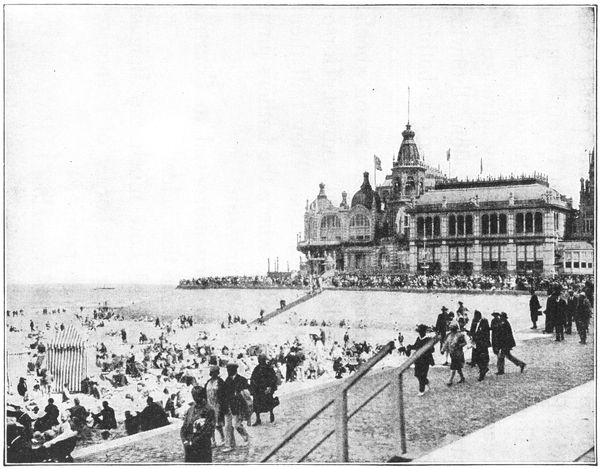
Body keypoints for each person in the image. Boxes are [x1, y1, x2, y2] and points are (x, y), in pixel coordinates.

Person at [181, 386, 215, 462]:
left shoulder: (209, 410)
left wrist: (193, 442)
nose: (195, 398)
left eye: (197, 395)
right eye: (194, 395)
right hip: (189, 448)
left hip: (202, 448)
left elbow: (208, 430)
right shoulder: (190, 410)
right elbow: (184, 427)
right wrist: (185, 441)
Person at [222, 362, 250, 452]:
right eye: (228, 370)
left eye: (230, 370)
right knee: (229, 426)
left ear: (234, 370)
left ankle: (246, 437)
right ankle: (230, 444)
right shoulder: (227, 380)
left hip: (239, 405)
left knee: (237, 425)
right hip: (230, 405)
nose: (228, 371)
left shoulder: (242, 379)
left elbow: (247, 392)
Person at [406, 324, 434, 396]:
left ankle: (421, 390)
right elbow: (416, 346)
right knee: (417, 374)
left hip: (425, 360)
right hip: (418, 360)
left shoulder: (428, 339)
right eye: (419, 332)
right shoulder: (418, 339)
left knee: (422, 375)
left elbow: (432, 349)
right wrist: (410, 347)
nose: (420, 333)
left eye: (421, 331)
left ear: (424, 332)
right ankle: (427, 382)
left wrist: (426, 350)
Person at [250, 354, 278, 425]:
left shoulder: (269, 368)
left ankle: (271, 414)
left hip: (267, 389)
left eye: (261, 360)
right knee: (256, 404)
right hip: (258, 389)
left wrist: (270, 387)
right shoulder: (256, 368)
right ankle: (258, 419)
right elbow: (253, 378)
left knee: (269, 402)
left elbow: (273, 378)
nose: (260, 361)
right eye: (259, 360)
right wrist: (253, 388)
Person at [205, 365, 226, 446]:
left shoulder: (220, 382)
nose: (214, 374)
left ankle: (223, 438)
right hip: (209, 405)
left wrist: (222, 406)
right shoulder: (208, 383)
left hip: (217, 405)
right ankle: (213, 441)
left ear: (217, 373)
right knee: (210, 425)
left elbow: (224, 394)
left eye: (215, 373)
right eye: (212, 373)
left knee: (218, 424)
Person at [441, 321, 467, 386]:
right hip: (452, 354)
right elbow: (446, 343)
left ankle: (450, 380)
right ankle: (462, 378)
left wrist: (459, 345)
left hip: (458, 354)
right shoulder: (449, 336)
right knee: (458, 367)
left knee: (453, 367)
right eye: (451, 328)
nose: (451, 330)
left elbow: (465, 343)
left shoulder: (460, 335)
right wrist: (443, 350)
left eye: (453, 328)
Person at [470, 310, 491, 381]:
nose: (474, 318)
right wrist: (470, 335)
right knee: (476, 358)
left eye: (476, 316)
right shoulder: (474, 321)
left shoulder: (484, 322)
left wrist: (486, 343)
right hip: (475, 343)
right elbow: (472, 331)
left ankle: (482, 372)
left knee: (483, 358)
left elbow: (486, 333)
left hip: (482, 344)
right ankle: (484, 369)